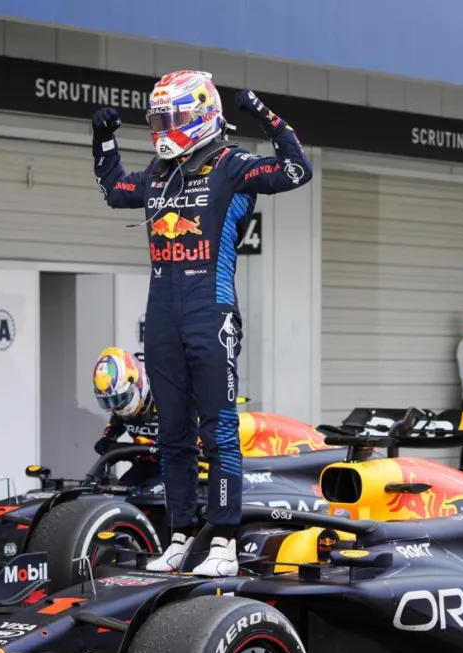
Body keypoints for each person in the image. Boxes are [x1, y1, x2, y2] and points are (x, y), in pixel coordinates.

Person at [91, 70, 313, 576]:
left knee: (219, 431)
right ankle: (180, 535)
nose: (165, 127)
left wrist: (264, 114)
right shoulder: (158, 173)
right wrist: (102, 139)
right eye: (159, 118)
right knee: (171, 433)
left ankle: (224, 542)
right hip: (163, 315)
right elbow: (112, 189)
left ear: (202, 114)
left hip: (210, 313)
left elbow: (298, 170)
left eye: (174, 117)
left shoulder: (231, 164)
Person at [92, 347, 158, 453]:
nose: (117, 407)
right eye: (111, 401)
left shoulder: (165, 397)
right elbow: (116, 425)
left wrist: (159, 445)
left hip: (173, 463)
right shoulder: (120, 410)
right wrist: (108, 438)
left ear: (138, 385)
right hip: (143, 461)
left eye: (120, 399)